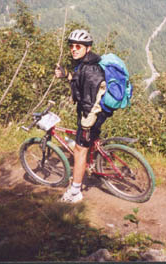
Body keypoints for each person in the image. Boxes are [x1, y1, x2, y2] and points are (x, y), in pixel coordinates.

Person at [55, 29, 112, 203]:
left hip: (91, 113)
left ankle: (75, 192)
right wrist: (66, 75)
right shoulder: (86, 63)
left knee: (80, 151)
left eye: (78, 46)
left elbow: (90, 100)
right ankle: (93, 161)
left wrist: (86, 124)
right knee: (86, 144)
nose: (74, 49)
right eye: (71, 46)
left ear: (88, 48)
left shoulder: (89, 69)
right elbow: (78, 80)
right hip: (97, 112)